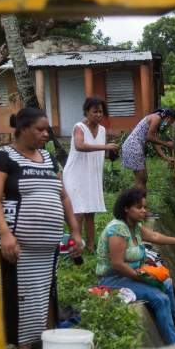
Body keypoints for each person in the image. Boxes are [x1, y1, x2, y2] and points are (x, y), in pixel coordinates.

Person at [0, 107, 83, 349]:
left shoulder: (48, 158)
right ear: (22, 129)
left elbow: (63, 196)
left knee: (42, 293)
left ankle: (41, 343)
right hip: (17, 245)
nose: (46, 134)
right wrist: (6, 235)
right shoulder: (3, 157)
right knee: (17, 294)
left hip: (47, 248)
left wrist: (75, 231)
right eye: (40, 129)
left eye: (47, 129)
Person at [96, 187, 175, 345]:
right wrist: (142, 278)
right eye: (139, 207)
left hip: (131, 274)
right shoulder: (117, 230)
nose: (144, 211)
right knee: (160, 299)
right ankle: (174, 347)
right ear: (126, 208)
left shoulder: (135, 225)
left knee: (167, 284)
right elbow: (117, 264)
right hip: (113, 279)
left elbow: (154, 236)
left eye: (144, 207)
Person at [62, 97, 118, 250]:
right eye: (95, 112)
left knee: (90, 213)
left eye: (100, 112)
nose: (98, 115)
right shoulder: (79, 127)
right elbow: (80, 146)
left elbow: (100, 151)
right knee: (78, 212)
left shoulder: (102, 130)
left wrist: (111, 152)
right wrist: (106, 146)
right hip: (76, 173)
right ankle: (76, 247)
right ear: (87, 112)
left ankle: (91, 246)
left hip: (91, 174)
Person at [120, 108, 175, 189]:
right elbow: (150, 137)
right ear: (168, 118)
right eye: (171, 122)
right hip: (133, 147)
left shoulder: (157, 120)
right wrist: (166, 144)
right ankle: (137, 199)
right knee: (141, 179)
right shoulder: (156, 118)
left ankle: (140, 198)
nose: (169, 124)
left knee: (143, 178)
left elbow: (154, 142)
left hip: (135, 147)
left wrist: (166, 158)